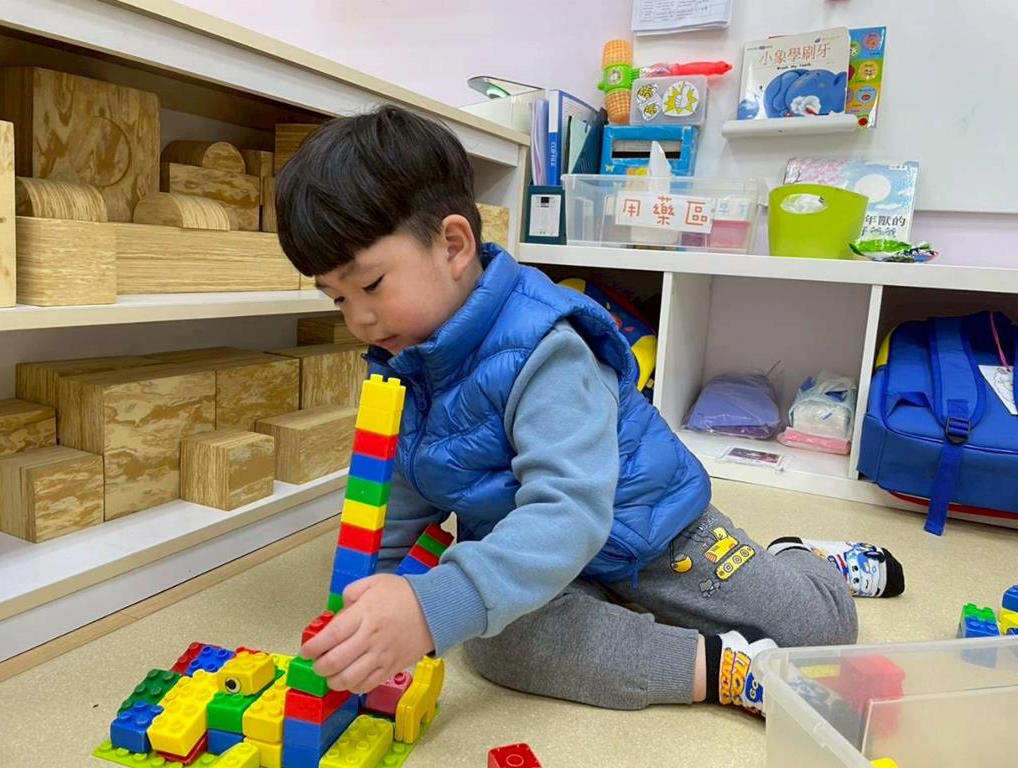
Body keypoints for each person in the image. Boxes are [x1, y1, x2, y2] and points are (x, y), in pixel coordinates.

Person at [275, 105, 904, 713]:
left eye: (371, 285)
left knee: (815, 630)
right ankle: (720, 667)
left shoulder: (546, 348)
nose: (359, 320)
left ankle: (800, 557)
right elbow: (405, 495)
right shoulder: (400, 359)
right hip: (539, 550)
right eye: (337, 300)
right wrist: (367, 605)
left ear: (454, 245)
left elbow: (570, 510)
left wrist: (428, 606)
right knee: (497, 644)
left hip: (650, 531)